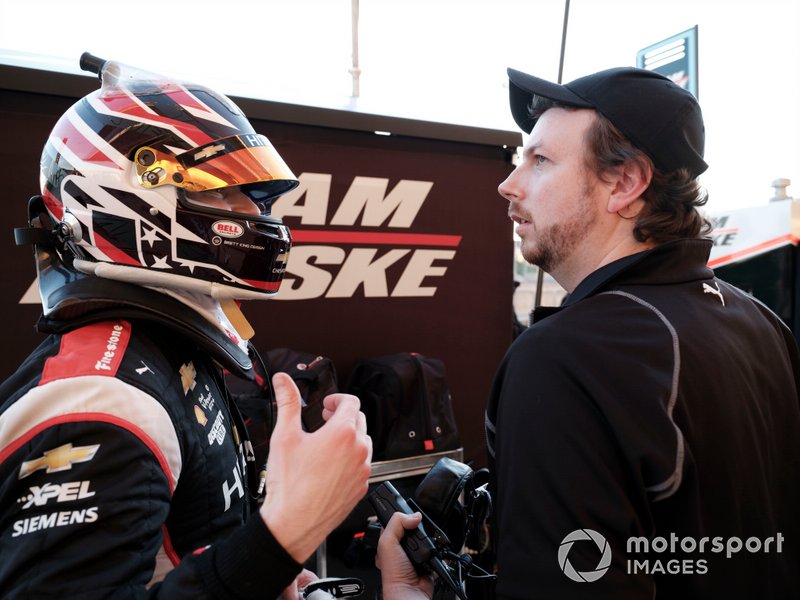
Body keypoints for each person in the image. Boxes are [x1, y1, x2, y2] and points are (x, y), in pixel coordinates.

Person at [377, 66, 800, 599]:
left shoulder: (563, 359)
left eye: (542, 161)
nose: (509, 184)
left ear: (624, 183)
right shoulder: (761, 323)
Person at [0, 56, 372, 598]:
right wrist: (285, 536)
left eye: (251, 193)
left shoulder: (163, 347)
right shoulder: (103, 400)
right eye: (220, 191)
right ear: (121, 202)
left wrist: (264, 573)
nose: (255, 214)